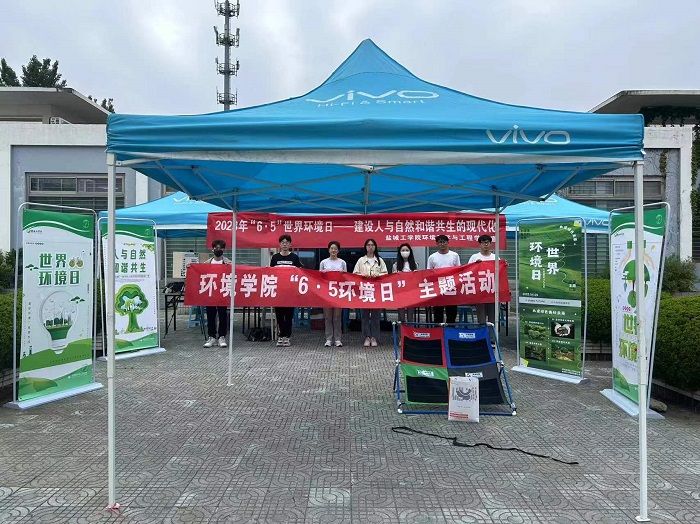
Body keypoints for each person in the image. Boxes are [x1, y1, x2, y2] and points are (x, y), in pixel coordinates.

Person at [353, 238, 388, 347]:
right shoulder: (361, 260)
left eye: (372, 245)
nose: (370, 247)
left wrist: (378, 275)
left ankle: (374, 337)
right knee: (364, 315)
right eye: (368, 245)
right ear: (365, 247)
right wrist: (363, 276)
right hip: (364, 291)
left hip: (376, 292)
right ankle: (366, 337)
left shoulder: (380, 260)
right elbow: (354, 274)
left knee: (376, 316)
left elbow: (386, 274)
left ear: (375, 247)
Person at [270, 234, 303, 347]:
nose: (284, 244)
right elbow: (271, 273)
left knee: (289, 315)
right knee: (279, 315)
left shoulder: (294, 257)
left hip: (290, 291)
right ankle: (281, 335)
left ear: (290, 244)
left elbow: (300, 272)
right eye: (282, 242)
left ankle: (287, 336)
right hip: (278, 291)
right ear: (280, 244)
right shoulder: (275, 258)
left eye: (287, 242)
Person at [427, 234, 461, 324]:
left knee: (451, 312)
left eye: (444, 242)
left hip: (451, 286)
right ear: (437, 244)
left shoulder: (455, 255)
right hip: (438, 287)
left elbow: (459, 270)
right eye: (440, 242)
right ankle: (438, 330)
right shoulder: (432, 257)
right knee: (438, 312)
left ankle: (451, 329)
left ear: (448, 243)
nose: (442, 244)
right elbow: (429, 272)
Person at [203, 239, 230, 348]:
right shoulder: (206, 263)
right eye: (216, 247)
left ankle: (222, 336)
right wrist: (190, 268)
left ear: (223, 250)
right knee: (210, 315)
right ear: (212, 249)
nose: (218, 249)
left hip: (222, 292)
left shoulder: (228, 263)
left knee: (223, 315)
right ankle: (211, 337)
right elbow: (199, 274)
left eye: (221, 248)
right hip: (210, 293)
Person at [319, 240, 347, 347]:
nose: (333, 250)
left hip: (339, 292)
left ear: (338, 250)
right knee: (327, 317)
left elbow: (346, 278)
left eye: (335, 248)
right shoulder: (323, 262)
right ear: (328, 250)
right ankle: (328, 339)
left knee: (337, 317)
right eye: (332, 248)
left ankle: (338, 339)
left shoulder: (342, 262)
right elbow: (319, 278)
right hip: (326, 292)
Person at [469, 234, 497, 324]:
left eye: (487, 242)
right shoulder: (474, 257)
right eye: (483, 243)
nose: (485, 244)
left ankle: (492, 332)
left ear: (490, 244)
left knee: (493, 316)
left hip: (492, 291)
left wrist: (504, 265)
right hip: (479, 291)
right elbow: (468, 272)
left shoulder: (495, 257)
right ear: (479, 244)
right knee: (481, 316)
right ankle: (482, 331)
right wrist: (475, 265)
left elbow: (500, 272)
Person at [392, 243, 419, 323]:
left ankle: (410, 330)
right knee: (401, 316)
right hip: (400, 293)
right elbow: (393, 280)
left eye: (407, 250)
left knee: (410, 315)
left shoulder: (415, 264)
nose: (405, 252)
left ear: (410, 252)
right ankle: (401, 330)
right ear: (400, 252)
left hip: (411, 292)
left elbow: (417, 279)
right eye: (403, 250)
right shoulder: (395, 265)